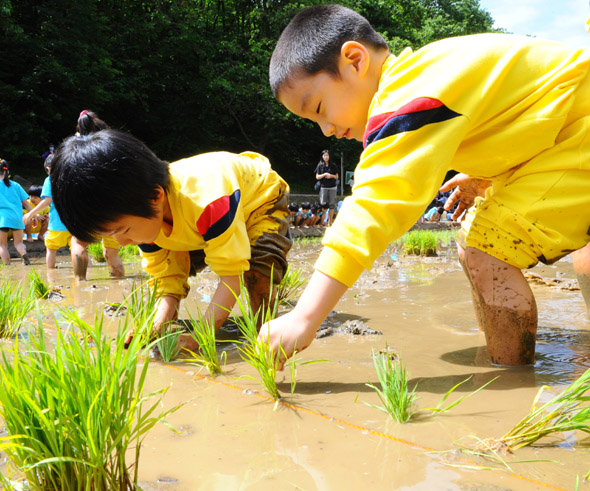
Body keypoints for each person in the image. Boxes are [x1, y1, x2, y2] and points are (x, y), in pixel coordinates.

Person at [262, 4, 590, 368]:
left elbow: (374, 205)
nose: (326, 129)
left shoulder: (404, 99)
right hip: (568, 133)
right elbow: (525, 112)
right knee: (481, 243)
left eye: (320, 107)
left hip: (579, 137)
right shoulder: (429, 73)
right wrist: (482, 172)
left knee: (487, 248)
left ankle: (508, 378)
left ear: (355, 61)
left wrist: (304, 317)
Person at [49, 129, 292, 350]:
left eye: (123, 231)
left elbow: (232, 276)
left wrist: (201, 338)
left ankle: (267, 336)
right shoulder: (145, 220)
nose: (122, 244)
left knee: (258, 272)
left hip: (259, 197)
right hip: (195, 220)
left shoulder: (208, 203)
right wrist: (156, 326)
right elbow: (167, 279)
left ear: (155, 197)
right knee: (174, 274)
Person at [69, 109, 125, 280]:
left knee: (78, 244)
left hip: (88, 209)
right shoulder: (112, 146)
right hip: (114, 209)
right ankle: (118, 286)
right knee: (112, 254)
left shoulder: (75, 150)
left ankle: (81, 283)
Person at [24, 155, 72, 269]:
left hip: (58, 223)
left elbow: (47, 200)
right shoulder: (71, 178)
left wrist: (30, 214)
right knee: (78, 247)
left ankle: (50, 274)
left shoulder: (50, 179)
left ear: (49, 167)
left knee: (51, 248)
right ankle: (86, 273)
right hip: (75, 223)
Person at [0, 160, 32, 265]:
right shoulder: (16, 185)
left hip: (2, 219)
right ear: (7, 172)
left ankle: (8, 266)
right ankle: (23, 254)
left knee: (2, 245)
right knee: (18, 243)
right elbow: (26, 203)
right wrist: (34, 214)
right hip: (17, 217)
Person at [314, 149, 339, 226]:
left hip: (332, 187)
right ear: (322, 156)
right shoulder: (320, 165)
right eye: (324, 155)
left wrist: (331, 176)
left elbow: (337, 176)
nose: (326, 157)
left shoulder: (333, 165)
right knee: (323, 204)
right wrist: (324, 174)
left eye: (327, 155)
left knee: (332, 204)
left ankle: (330, 221)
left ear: (329, 156)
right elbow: (317, 177)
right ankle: (322, 221)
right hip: (323, 187)